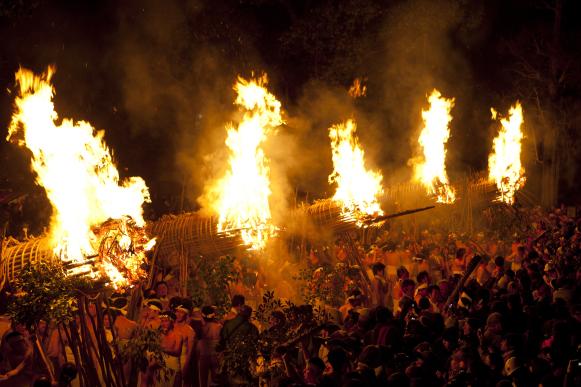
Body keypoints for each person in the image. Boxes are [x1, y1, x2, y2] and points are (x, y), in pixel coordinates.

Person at [173, 304, 195, 386]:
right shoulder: (171, 326)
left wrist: (186, 366)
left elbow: (190, 352)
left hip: (182, 360)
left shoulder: (189, 331)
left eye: (181, 312)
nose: (178, 314)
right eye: (177, 312)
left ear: (186, 315)